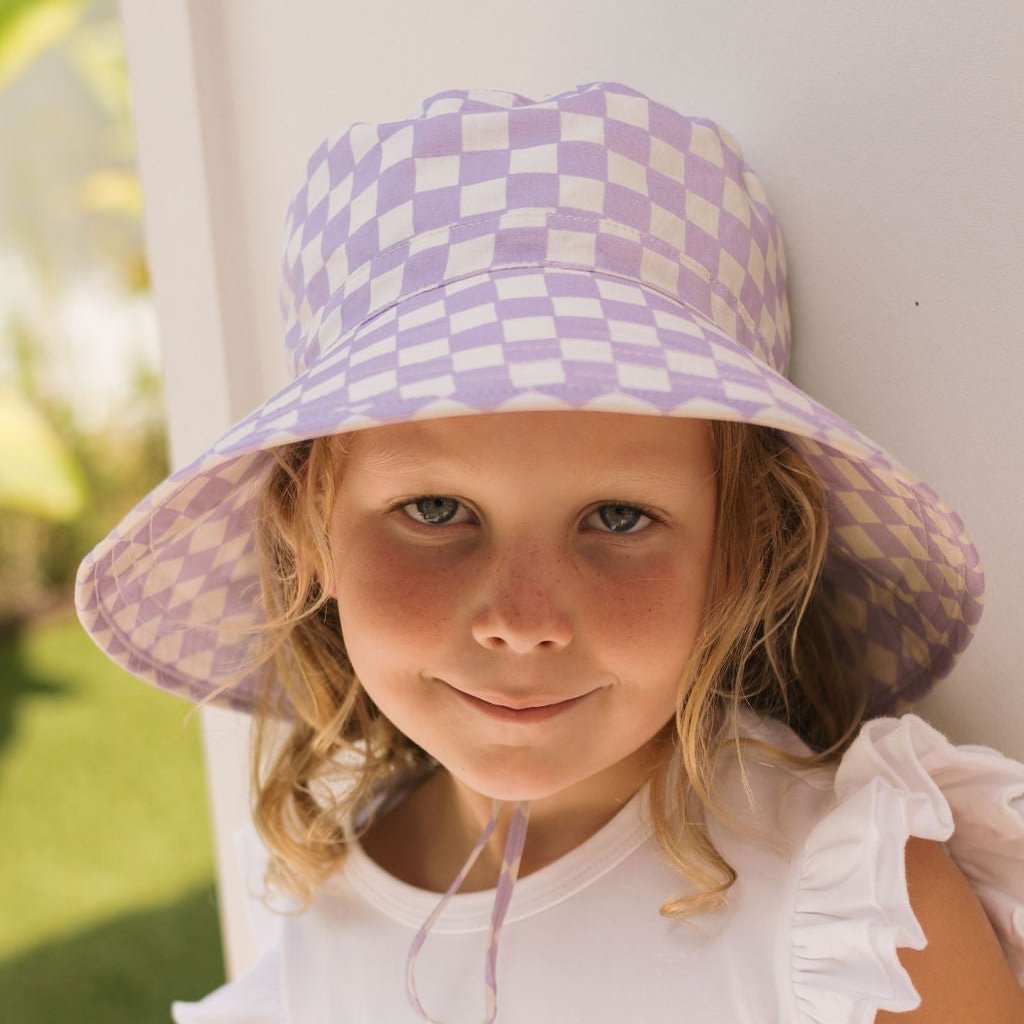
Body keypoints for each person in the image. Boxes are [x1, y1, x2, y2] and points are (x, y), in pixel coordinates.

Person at [75, 81, 1024, 1023]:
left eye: (616, 518)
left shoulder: (849, 909)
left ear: (741, 549)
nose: (521, 622)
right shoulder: (326, 891)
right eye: (437, 507)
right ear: (308, 533)